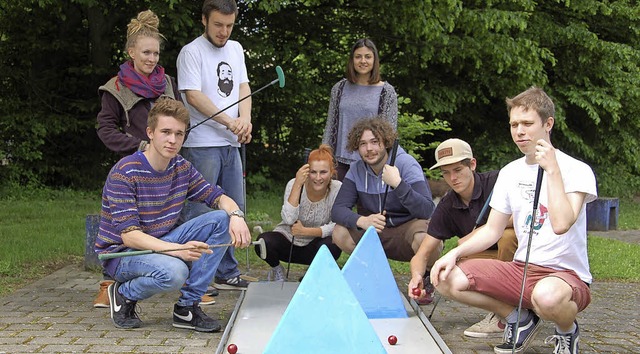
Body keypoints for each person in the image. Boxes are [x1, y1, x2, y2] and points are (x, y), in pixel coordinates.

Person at [430, 87, 597, 354]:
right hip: (521, 270)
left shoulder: (576, 170)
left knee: (546, 297)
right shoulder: (510, 172)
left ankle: (567, 331)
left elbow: (562, 223)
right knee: (445, 277)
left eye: (527, 123)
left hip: (564, 275)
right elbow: (493, 230)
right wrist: (454, 254)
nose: (519, 131)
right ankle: (518, 319)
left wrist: (552, 169)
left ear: (548, 124)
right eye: (514, 124)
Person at [94, 98, 252, 332]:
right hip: (121, 254)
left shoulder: (181, 167)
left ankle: (187, 308)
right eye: (166, 132)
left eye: (179, 134)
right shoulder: (125, 172)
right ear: (150, 132)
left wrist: (237, 215)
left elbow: (217, 197)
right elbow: (130, 237)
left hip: (160, 241)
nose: (172, 140)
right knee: (175, 272)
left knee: (223, 218)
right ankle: (123, 293)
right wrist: (177, 250)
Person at [93, 9, 211, 308]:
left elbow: (179, 118)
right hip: (133, 167)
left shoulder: (168, 84)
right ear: (131, 52)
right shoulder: (115, 88)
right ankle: (112, 283)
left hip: (166, 168)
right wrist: (140, 145)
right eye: (146, 52)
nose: (152, 58)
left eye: (156, 53)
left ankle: (188, 281)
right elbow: (106, 130)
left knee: (172, 220)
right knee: (128, 231)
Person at [176, 0, 252, 291]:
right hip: (201, 144)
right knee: (202, 212)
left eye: (229, 25)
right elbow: (193, 96)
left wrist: (244, 119)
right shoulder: (191, 52)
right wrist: (228, 122)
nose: (224, 31)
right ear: (204, 20)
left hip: (231, 145)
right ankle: (198, 275)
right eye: (218, 24)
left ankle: (226, 272)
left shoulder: (236, 48)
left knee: (235, 209)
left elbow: (243, 87)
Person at [407, 138, 518, 335]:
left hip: (520, 258)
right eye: (446, 173)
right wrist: (416, 276)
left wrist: (478, 232)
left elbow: (525, 215)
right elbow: (422, 254)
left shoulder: (498, 181)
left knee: (507, 236)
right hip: (488, 260)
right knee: (443, 274)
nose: (453, 178)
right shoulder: (447, 205)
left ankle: (510, 307)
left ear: (472, 164)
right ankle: (507, 313)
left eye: (458, 170)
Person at [331, 117, 436, 262]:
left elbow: (427, 210)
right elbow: (337, 210)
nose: (369, 149)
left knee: (426, 236)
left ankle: (428, 276)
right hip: (374, 231)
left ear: (386, 142)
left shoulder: (406, 164)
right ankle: (373, 273)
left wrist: (398, 184)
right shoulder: (356, 169)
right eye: (363, 144)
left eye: (374, 142)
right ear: (357, 147)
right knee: (339, 232)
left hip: (406, 230)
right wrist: (362, 220)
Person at [255, 144, 342, 281]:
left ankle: (314, 271)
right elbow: (289, 219)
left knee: (335, 244)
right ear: (306, 172)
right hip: (290, 240)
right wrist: (297, 184)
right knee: (263, 242)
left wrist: (307, 232)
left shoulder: (338, 188)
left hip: (316, 243)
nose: (318, 178)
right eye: (313, 172)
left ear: (331, 172)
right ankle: (277, 269)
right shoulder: (294, 184)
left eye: (323, 172)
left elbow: (338, 224)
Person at [322, 38, 398, 181]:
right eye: (358, 56)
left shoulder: (386, 92)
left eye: (368, 57)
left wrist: (386, 163)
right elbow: (330, 125)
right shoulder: (339, 89)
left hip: (371, 162)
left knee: (368, 204)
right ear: (352, 60)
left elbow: (390, 132)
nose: (363, 61)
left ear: (374, 60)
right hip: (339, 162)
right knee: (337, 203)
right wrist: (324, 156)